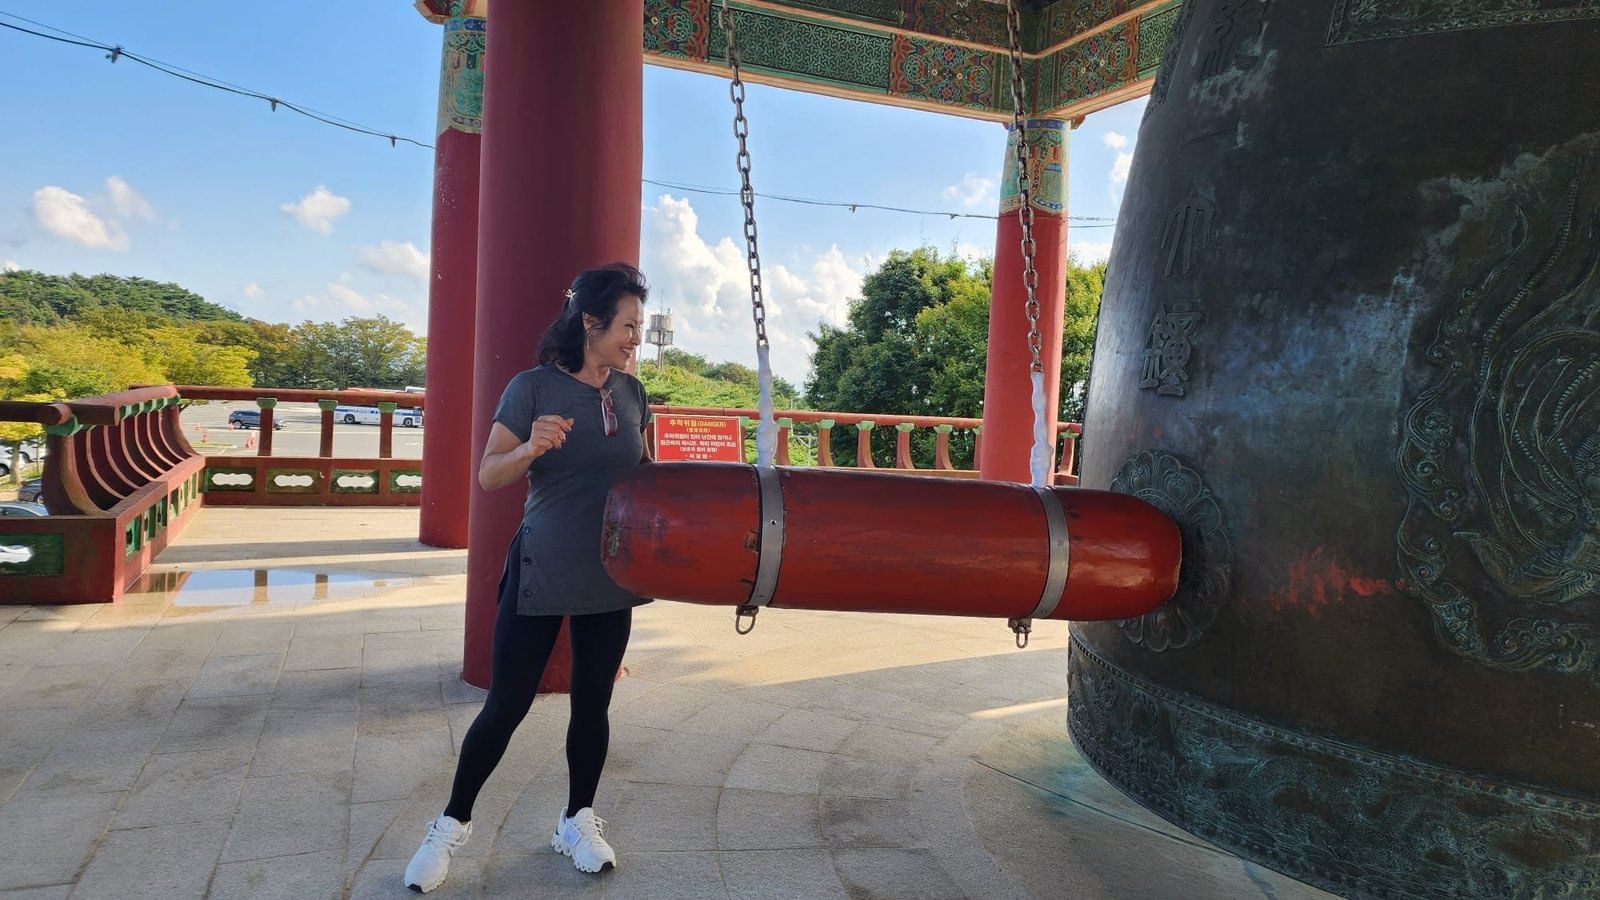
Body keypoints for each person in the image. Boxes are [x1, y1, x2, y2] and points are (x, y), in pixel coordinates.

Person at [405, 262, 654, 893]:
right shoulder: (532, 388)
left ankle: (577, 821)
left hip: (609, 571)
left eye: (640, 328)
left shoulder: (630, 393)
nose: (635, 339)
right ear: (590, 322)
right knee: (507, 706)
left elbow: (643, 472)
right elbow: (490, 474)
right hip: (542, 564)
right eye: (628, 326)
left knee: (594, 702)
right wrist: (530, 447)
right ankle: (449, 827)